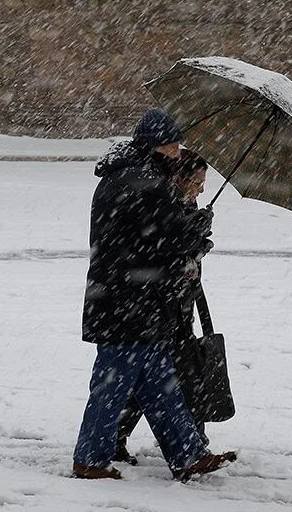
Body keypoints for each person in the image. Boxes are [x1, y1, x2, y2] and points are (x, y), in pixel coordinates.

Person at [72, 109, 236, 481]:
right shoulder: (142, 181)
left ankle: (189, 454)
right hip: (127, 303)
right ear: (153, 147)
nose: (178, 153)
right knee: (111, 385)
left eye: (177, 145)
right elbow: (162, 239)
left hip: (133, 299)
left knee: (161, 384)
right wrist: (195, 229)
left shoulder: (131, 176)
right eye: (171, 146)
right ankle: (90, 459)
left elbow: (152, 236)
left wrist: (188, 230)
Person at [113, 149, 213, 466]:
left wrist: (199, 241)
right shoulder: (163, 203)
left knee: (176, 371)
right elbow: (163, 250)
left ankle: (193, 440)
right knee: (168, 373)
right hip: (161, 302)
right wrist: (190, 243)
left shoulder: (187, 204)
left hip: (181, 301)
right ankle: (192, 442)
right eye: (197, 182)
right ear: (180, 178)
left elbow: (184, 250)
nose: (201, 190)